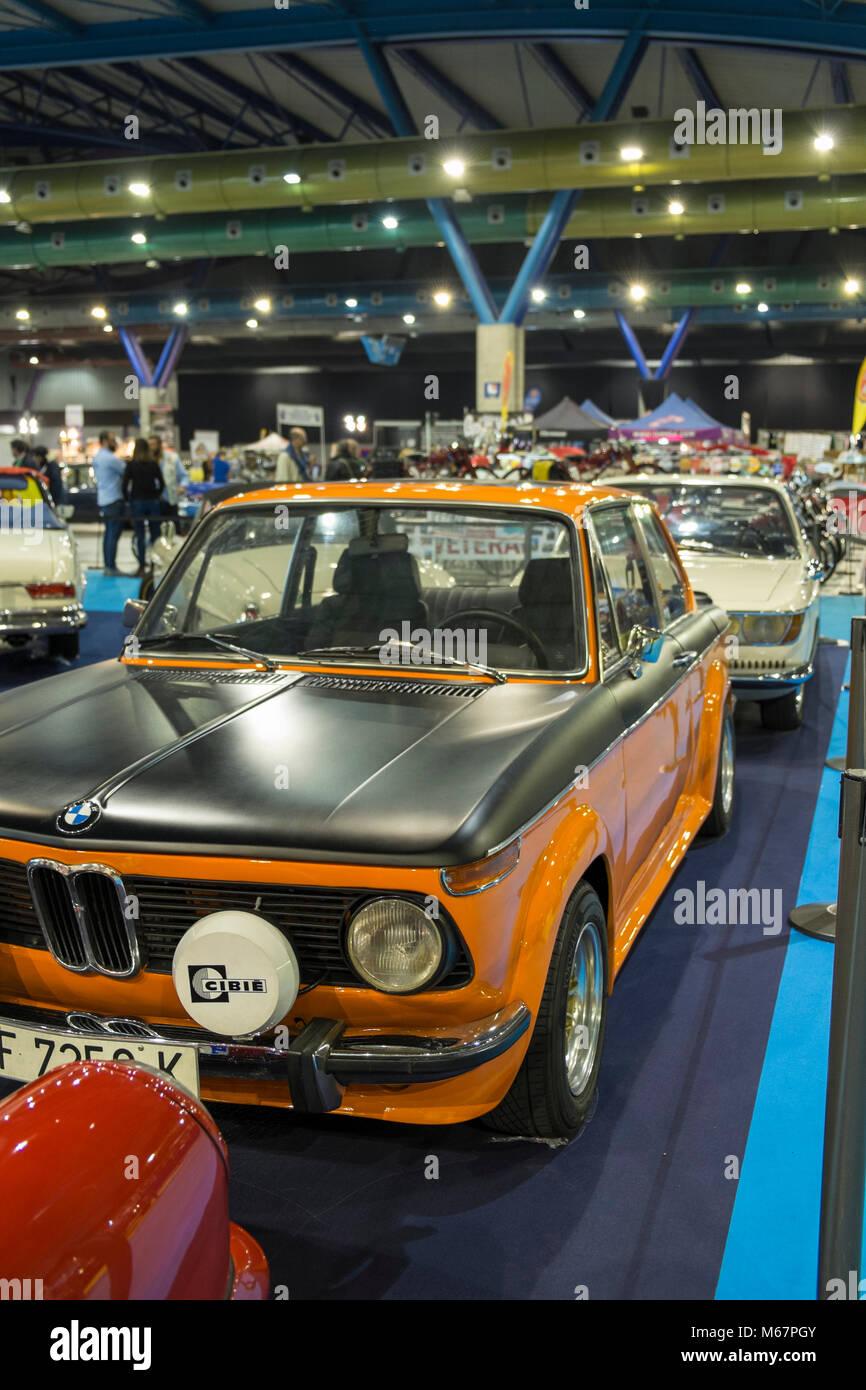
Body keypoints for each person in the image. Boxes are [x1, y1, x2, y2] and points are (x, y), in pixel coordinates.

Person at [123, 438, 165, 577]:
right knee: (155, 535)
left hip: (138, 502)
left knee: (140, 535)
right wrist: (156, 495)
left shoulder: (132, 465)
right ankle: (155, 566)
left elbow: (124, 485)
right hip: (153, 502)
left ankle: (141, 567)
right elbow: (161, 483)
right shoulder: (153, 464)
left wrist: (129, 499)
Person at [93, 430, 127, 576]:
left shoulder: (98, 457)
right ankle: (110, 567)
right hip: (113, 499)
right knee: (113, 534)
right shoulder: (109, 458)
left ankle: (108, 566)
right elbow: (126, 469)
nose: (115, 443)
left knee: (109, 534)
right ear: (105, 441)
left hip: (105, 499)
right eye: (113, 440)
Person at [149, 434, 187, 518]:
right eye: (149, 445)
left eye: (153, 444)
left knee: (173, 525)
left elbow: (184, 476)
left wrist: (182, 486)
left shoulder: (173, 457)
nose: (151, 447)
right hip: (154, 499)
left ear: (159, 445)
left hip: (170, 498)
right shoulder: (148, 460)